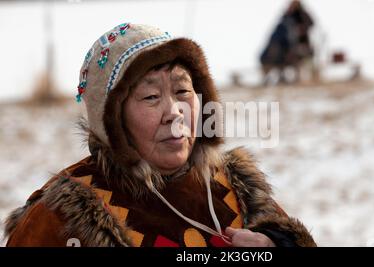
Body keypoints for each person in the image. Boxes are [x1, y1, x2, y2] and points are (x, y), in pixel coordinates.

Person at [3, 23, 316, 247]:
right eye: (150, 97)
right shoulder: (62, 218)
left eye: (182, 91)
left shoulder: (237, 189)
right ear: (111, 120)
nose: (174, 111)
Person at [260, 0, 314, 85]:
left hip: (299, 48)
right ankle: (280, 78)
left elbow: (310, 24)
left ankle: (297, 79)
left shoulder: (303, 16)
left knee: (294, 57)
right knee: (279, 57)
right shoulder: (286, 18)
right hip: (284, 50)